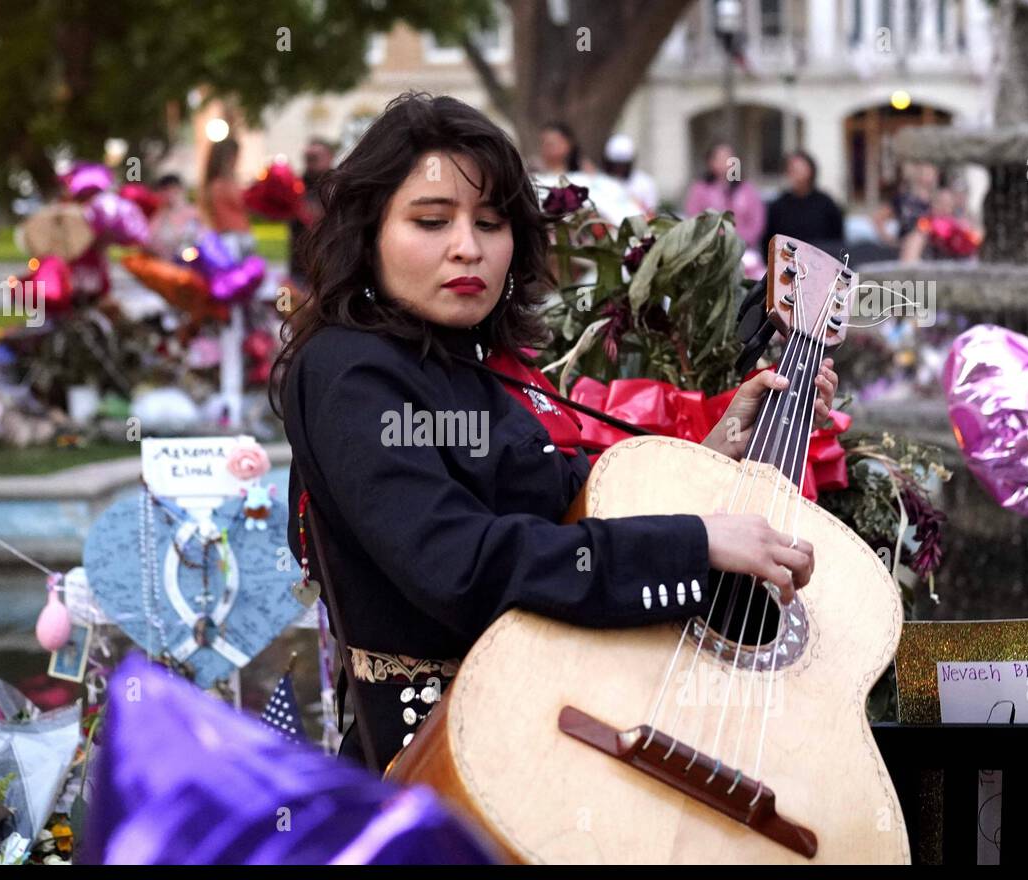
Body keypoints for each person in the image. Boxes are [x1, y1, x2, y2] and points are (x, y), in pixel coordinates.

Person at [271, 92, 838, 771]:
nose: (467, 247)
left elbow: (572, 506)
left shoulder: (458, 362)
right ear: (368, 235)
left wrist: (715, 450)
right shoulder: (351, 369)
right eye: (431, 221)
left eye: (489, 222)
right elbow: (462, 563)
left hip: (541, 726)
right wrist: (693, 544)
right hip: (444, 767)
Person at [684, 141, 765, 250]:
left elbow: (756, 223)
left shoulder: (747, 190)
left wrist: (737, 239)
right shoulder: (700, 190)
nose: (727, 162)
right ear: (711, 162)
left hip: (743, 249)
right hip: (709, 250)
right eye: (722, 158)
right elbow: (694, 220)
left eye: (730, 157)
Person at [762, 149, 844, 255]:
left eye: (799, 169)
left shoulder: (826, 204)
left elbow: (837, 240)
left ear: (811, 171)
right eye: (791, 169)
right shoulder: (778, 207)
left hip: (820, 262)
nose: (795, 173)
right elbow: (768, 242)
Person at [290, 137, 336, 285]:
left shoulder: (339, 186)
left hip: (332, 265)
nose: (310, 161)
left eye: (315, 157)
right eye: (308, 157)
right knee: (289, 304)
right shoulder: (296, 187)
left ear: (329, 157)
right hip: (300, 266)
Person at [147, 173, 202, 258]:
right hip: (165, 265)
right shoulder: (159, 217)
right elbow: (149, 240)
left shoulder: (196, 214)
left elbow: (204, 241)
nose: (170, 194)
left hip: (191, 263)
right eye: (165, 190)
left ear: (181, 189)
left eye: (173, 189)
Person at [601, 133, 658, 215]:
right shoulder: (601, 182)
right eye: (615, 165)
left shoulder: (645, 183)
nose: (619, 169)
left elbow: (651, 213)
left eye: (623, 165)